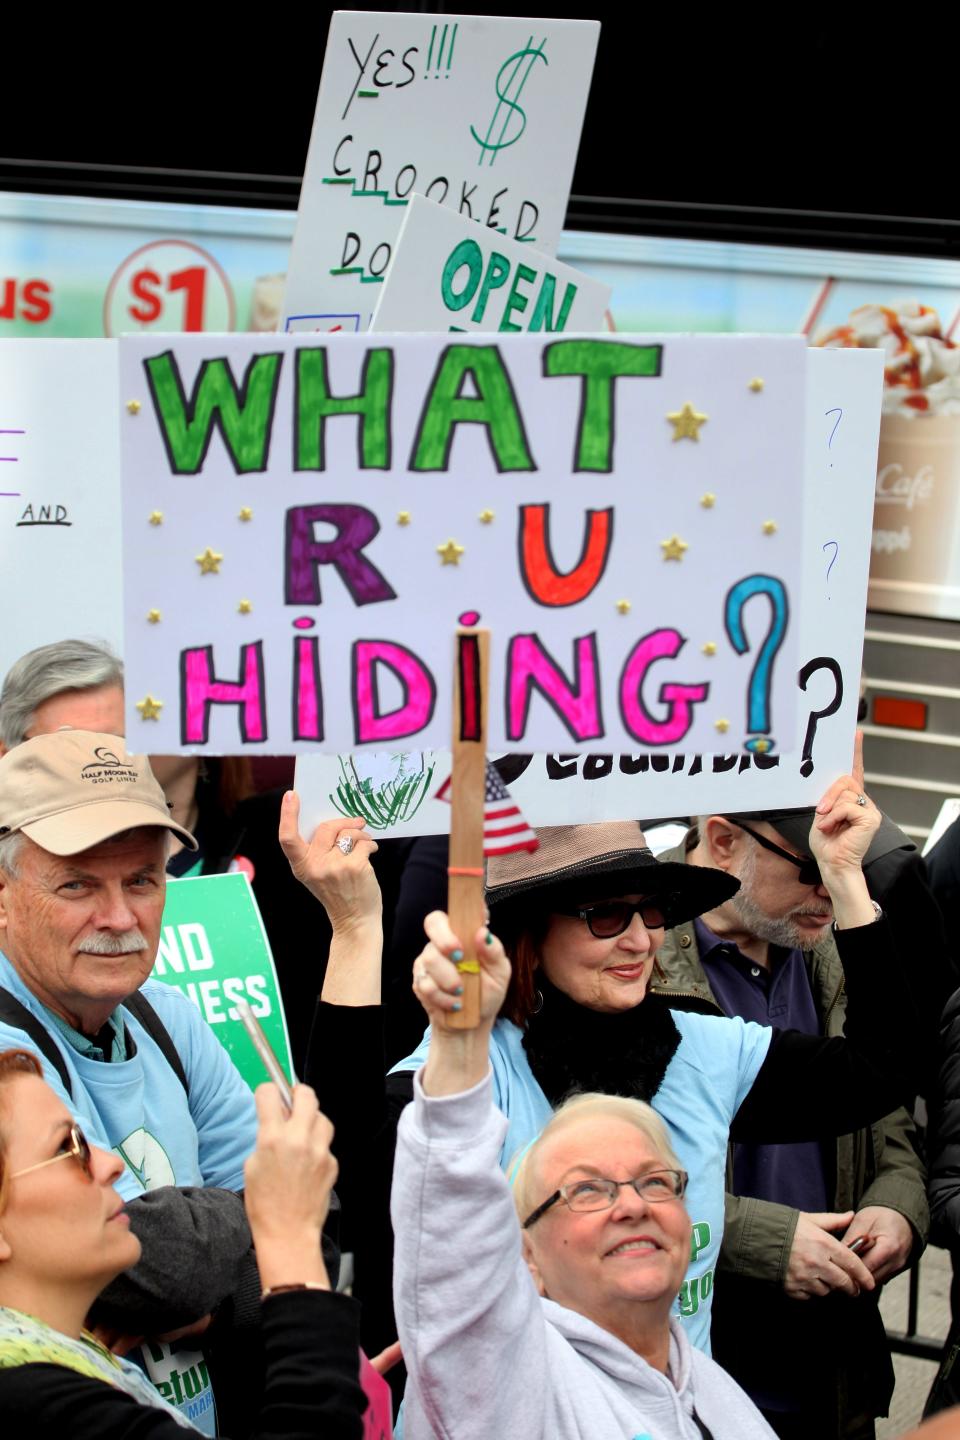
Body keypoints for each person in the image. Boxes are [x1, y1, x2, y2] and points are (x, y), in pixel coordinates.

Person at [288, 757, 953, 1360]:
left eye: (653, 910)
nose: (641, 939)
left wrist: (842, 878)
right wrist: (353, 928)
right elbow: (345, 1154)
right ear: (531, 931)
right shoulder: (468, 1062)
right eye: (606, 914)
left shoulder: (702, 1046)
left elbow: (881, 1068)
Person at [393, 950, 778, 1440]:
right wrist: (459, 1042)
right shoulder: (502, 1379)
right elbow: (444, 1222)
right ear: (526, 1257)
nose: (634, 1206)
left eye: (656, 1181)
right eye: (588, 1190)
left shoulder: (720, 1397)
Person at [0, 729, 261, 1428]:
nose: (118, 918)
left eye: (142, 880)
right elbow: (143, 1276)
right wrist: (234, 1255)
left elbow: (302, 1228)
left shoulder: (168, 1017)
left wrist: (209, 1303)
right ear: (2, 892)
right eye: (78, 884)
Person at [0, 638, 414, 1071]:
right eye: (76, 884)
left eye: (120, 740)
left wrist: (349, 879)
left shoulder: (287, 831)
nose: (97, 761)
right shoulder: (17, 889)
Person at [654, 809, 928, 1439]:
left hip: (827, 1364)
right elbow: (591, 1169)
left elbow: (889, 1115)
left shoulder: (837, 947)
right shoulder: (627, 952)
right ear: (723, 841)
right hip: (701, 1357)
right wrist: (769, 1241)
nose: (829, 895)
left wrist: (896, 1208)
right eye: (813, 869)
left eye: (848, 869)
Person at [0, 1047, 366, 1437]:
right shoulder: (32, 1402)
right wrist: (288, 1237)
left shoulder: (61, 1371)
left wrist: (327, 1390)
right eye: (67, 1148)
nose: (111, 1164)